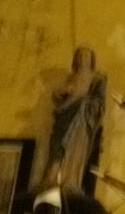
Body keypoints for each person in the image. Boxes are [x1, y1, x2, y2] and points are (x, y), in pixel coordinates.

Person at [40, 45, 106, 193]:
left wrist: (84, 103)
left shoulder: (97, 79)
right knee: (57, 149)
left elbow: (99, 102)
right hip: (64, 117)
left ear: (91, 60)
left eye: (86, 56)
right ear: (76, 59)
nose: (83, 59)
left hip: (81, 120)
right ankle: (52, 179)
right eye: (80, 56)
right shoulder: (71, 78)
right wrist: (61, 92)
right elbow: (58, 97)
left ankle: (71, 180)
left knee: (75, 150)